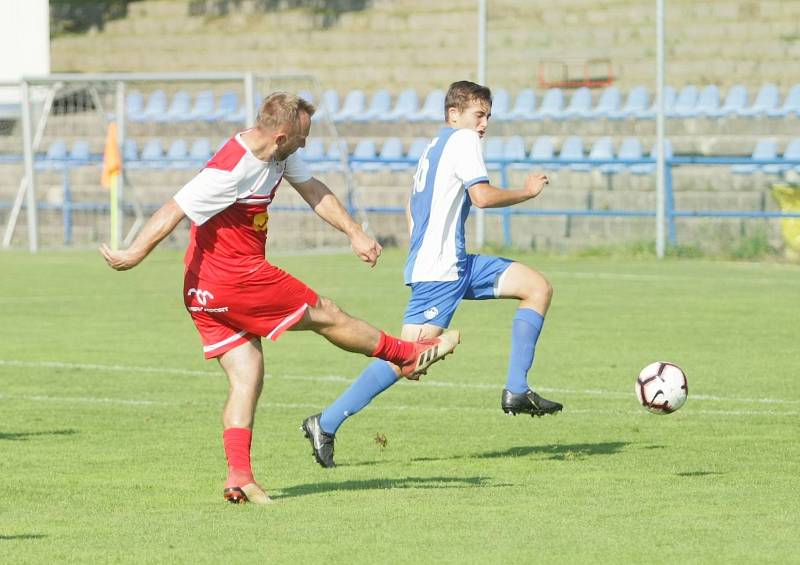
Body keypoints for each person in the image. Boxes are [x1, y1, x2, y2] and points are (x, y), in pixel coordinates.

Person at [100, 92, 460, 505]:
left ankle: (239, 476)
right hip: (236, 278)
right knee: (327, 313)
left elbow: (313, 190)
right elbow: (174, 207)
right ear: (283, 134)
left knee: (247, 374)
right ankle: (406, 354)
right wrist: (134, 253)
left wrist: (354, 232)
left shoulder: (279, 153)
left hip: (201, 290)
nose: (307, 143)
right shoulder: (231, 167)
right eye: (303, 137)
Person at [301, 80, 562, 469]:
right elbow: (482, 197)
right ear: (453, 114)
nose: (484, 124)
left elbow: (412, 202)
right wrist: (526, 192)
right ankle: (327, 422)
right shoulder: (463, 140)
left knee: (537, 287)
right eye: (478, 114)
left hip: (452, 263)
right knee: (405, 360)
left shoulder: (434, 146)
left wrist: (421, 244)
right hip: (442, 272)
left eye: (488, 116)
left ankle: (517, 391)